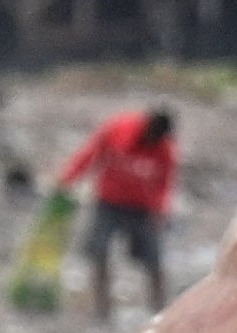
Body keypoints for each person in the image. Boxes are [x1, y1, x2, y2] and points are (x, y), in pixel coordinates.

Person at [57, 102, 180, 316]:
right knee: (99, 253)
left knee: (153, 259)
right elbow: (90, 154)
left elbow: (164, 184)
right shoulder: (117, 130)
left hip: (142, 209)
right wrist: (68, 179)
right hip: (109, 203)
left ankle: (160, 310)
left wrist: (159, 211)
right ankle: (102, 309)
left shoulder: (165, 150)